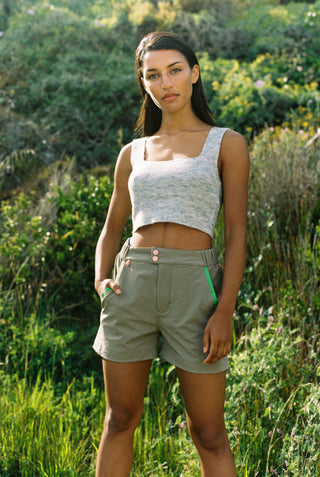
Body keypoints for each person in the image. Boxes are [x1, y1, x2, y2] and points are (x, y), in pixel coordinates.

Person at [93, 31, 250, 477]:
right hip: (132, 285)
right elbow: (111, 228)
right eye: (153, 75)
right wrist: (101, 280)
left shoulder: (227, 143)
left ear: (195, 73)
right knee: (120, 419)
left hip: (195, 289)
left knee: (209, 433)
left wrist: (225, 309)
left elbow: (237, 230)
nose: (166, 84)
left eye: (175, 70)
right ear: (143, 83)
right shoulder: (133, 152)